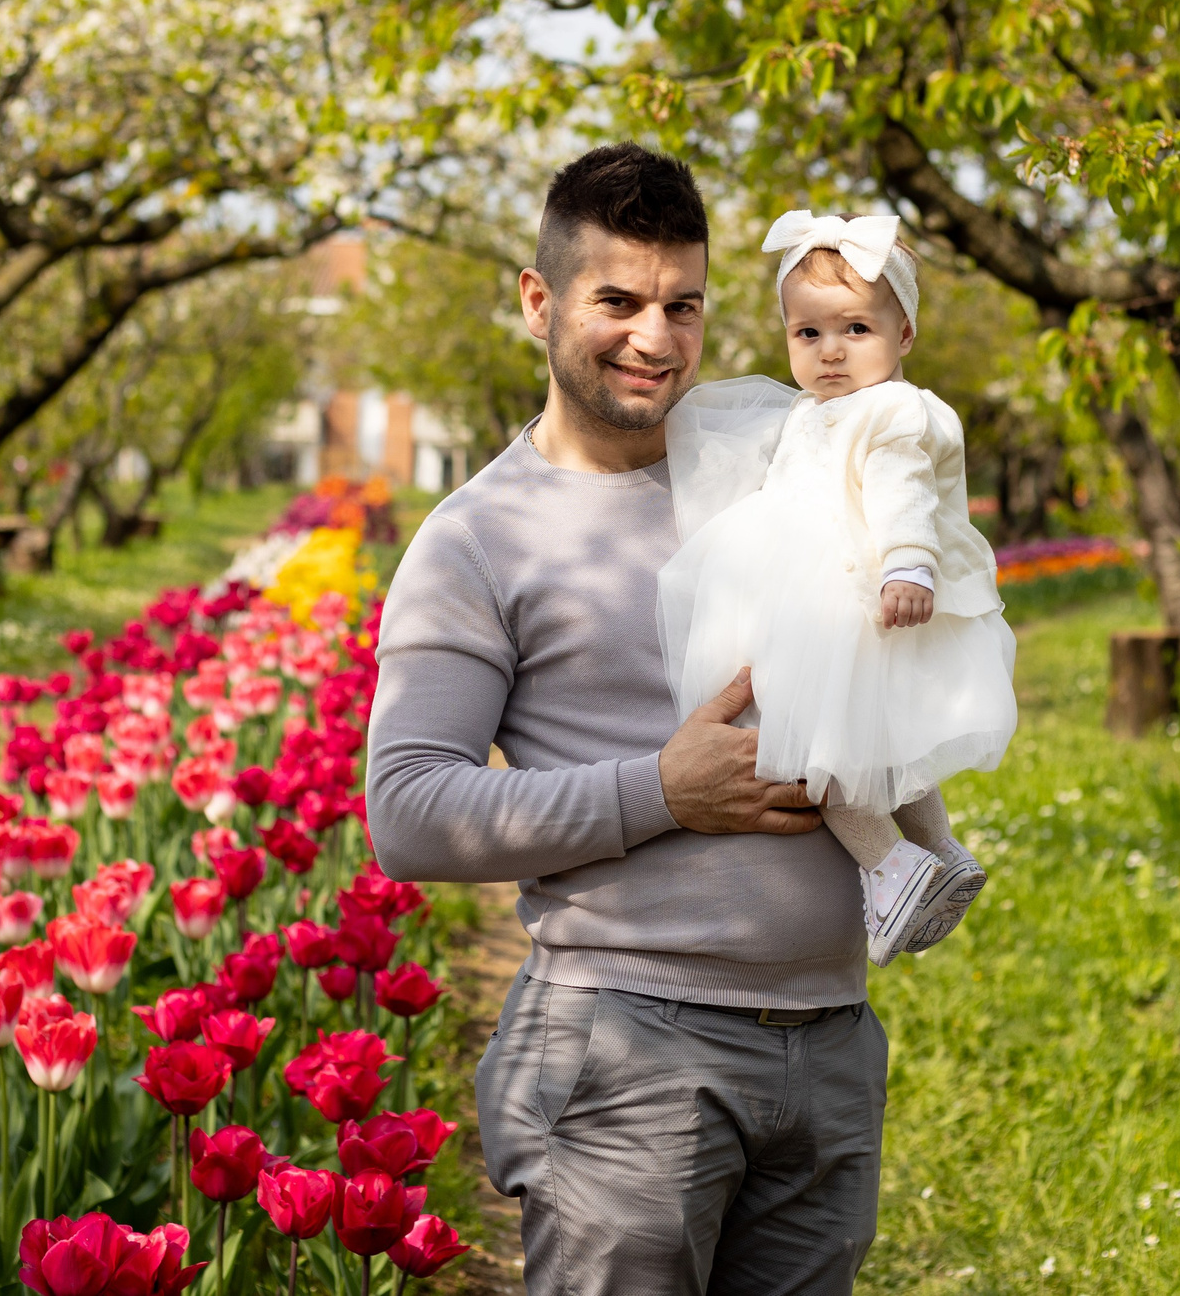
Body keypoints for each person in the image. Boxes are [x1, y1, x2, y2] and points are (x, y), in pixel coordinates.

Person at [368, 145, 884, 1296]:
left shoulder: (776, 477)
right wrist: (660, 789)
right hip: (628, 1053)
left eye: (681, 305)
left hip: (831, 1040)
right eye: (617, 301)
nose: (654, 338)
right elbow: (407, 811)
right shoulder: (476, 538)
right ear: (538, 301)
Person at [657, 211, 1017, 965]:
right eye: (808, 333)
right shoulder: (811, 411)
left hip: (847, 600)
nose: (830, 351)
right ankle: (942, 853)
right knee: (875, 739)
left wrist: (908, 562)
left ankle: (890, 866)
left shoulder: (891, 410)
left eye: (856, 329)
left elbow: (902, 488)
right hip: (820, 601)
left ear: (904, 335)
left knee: (808, 744)